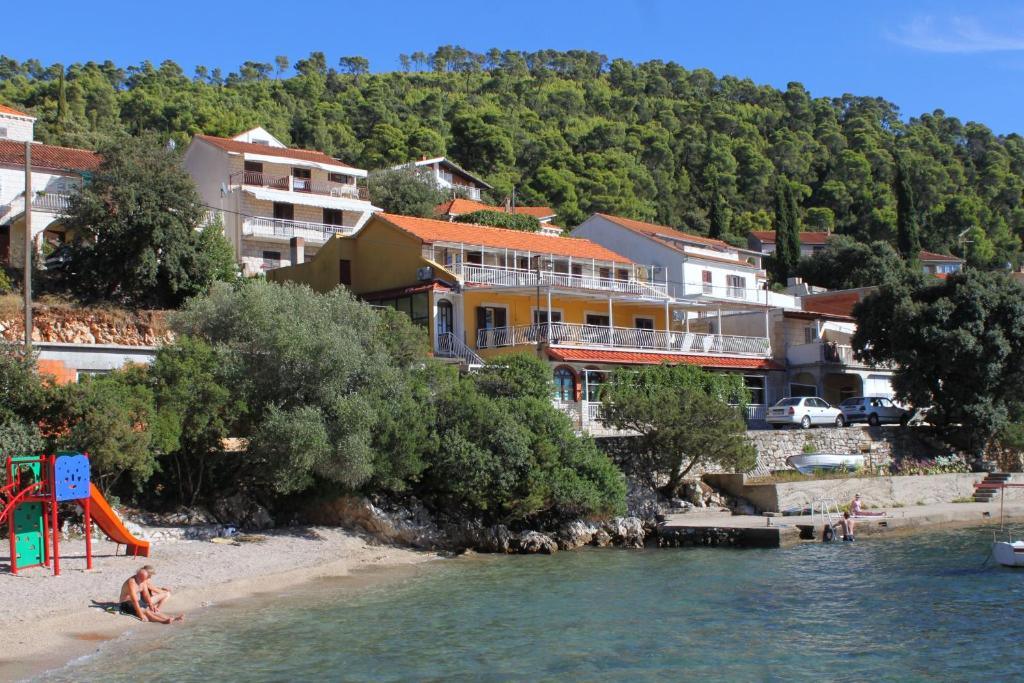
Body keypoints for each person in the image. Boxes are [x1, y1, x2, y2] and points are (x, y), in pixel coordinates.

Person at [119, 565, 183, 624]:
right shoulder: (131, 582)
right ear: (138, 575)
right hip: (125, 603)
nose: (144, 580)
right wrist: (140, 614)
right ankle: (163, 621)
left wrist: (150, 604)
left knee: (152, 610)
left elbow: (146, 594)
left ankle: (171, 618)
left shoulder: (143, 580)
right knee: (146, 612)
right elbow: (134, 600)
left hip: (136, 601)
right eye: (142, 578)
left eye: (145, 578)